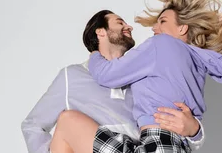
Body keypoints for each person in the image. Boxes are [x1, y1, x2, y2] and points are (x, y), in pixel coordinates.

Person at [50, 0, 222, 153]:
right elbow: (189, 128)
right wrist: (195, 131)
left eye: (162, 21)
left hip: (156, 146)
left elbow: (107, 76)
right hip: (168, 146)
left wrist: (95, 52)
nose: (154, 28)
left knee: (68, 121)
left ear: (182, 29)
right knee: (68, 124)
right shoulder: (198, 63)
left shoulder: (161, 44)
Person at [21, 10, 207, 153]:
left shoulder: (144, 78)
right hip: (104, 147)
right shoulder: (72, 76)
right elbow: (33, 125)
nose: (130, 26)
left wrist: (195, 131)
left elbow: (171, 135)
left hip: (144, 148)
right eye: (120, 22)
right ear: (100, 32)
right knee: (67, 121)